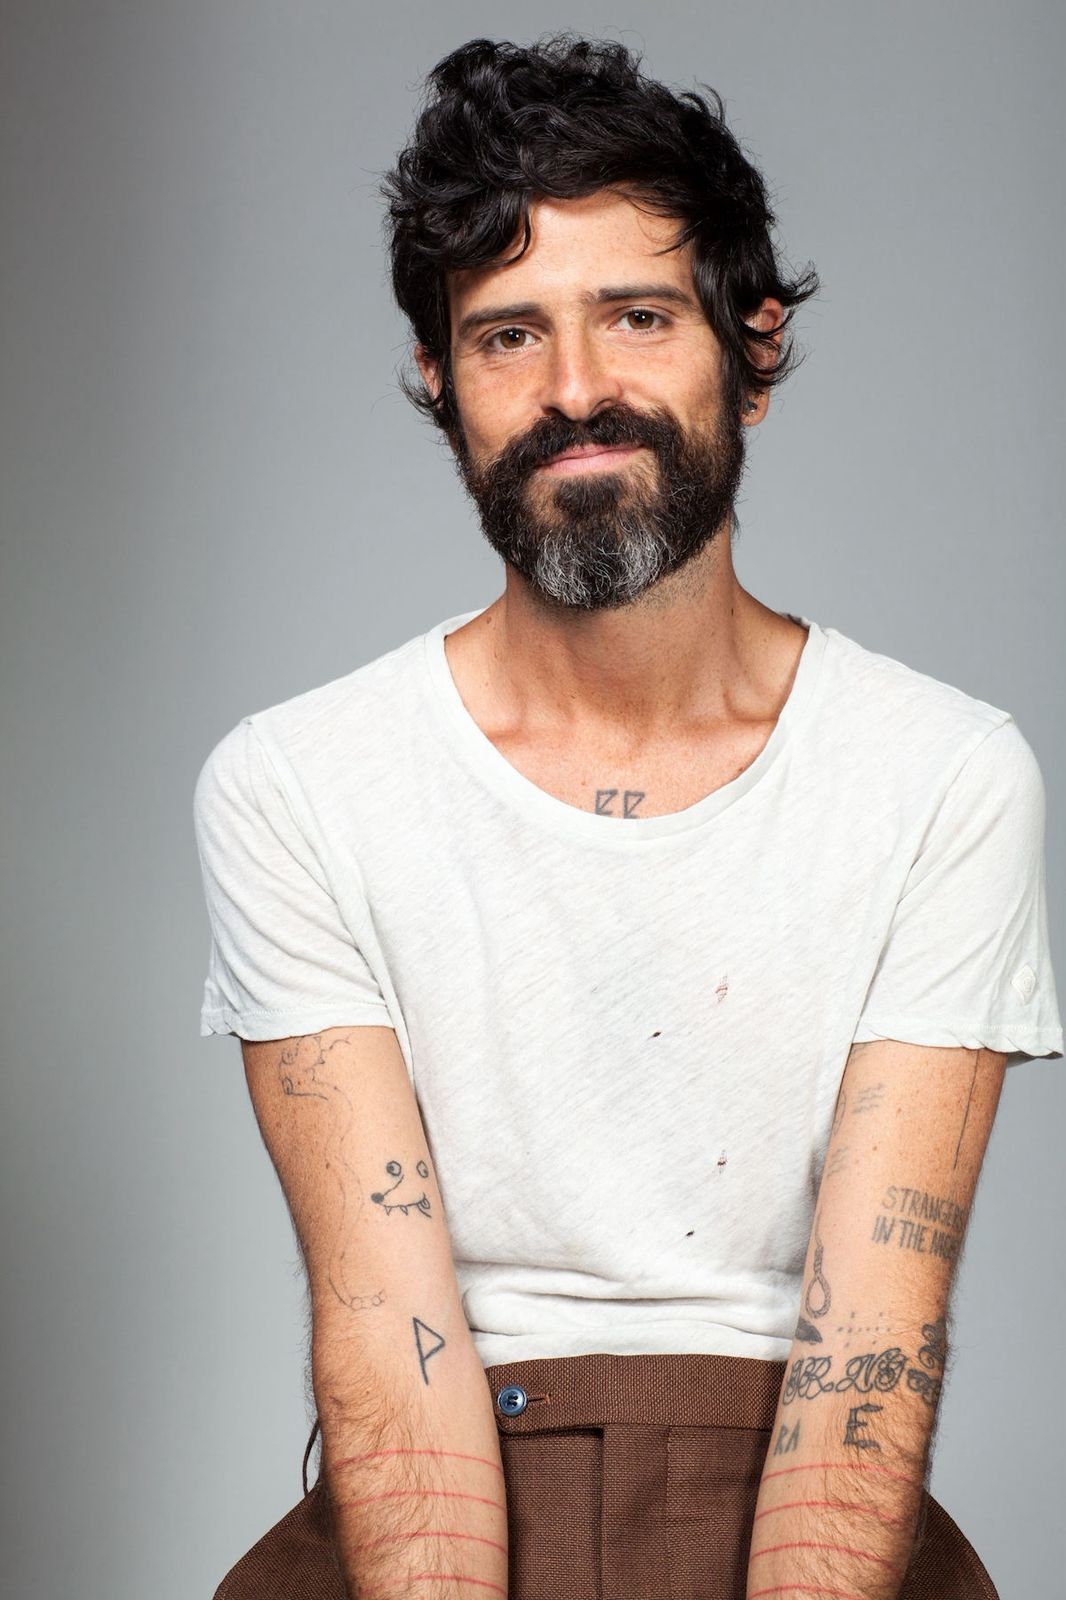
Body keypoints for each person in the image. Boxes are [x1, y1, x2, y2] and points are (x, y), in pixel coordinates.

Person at [192, 34, 1062, 1600]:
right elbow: (386, 1343)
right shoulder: (297, 781)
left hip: (798, 1504)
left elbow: (867, 1348)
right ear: (437, 380)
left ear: (754, 346)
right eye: (506, 334)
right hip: (437, 1507)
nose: (575, 389)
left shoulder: (941, 773)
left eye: (638, 316)